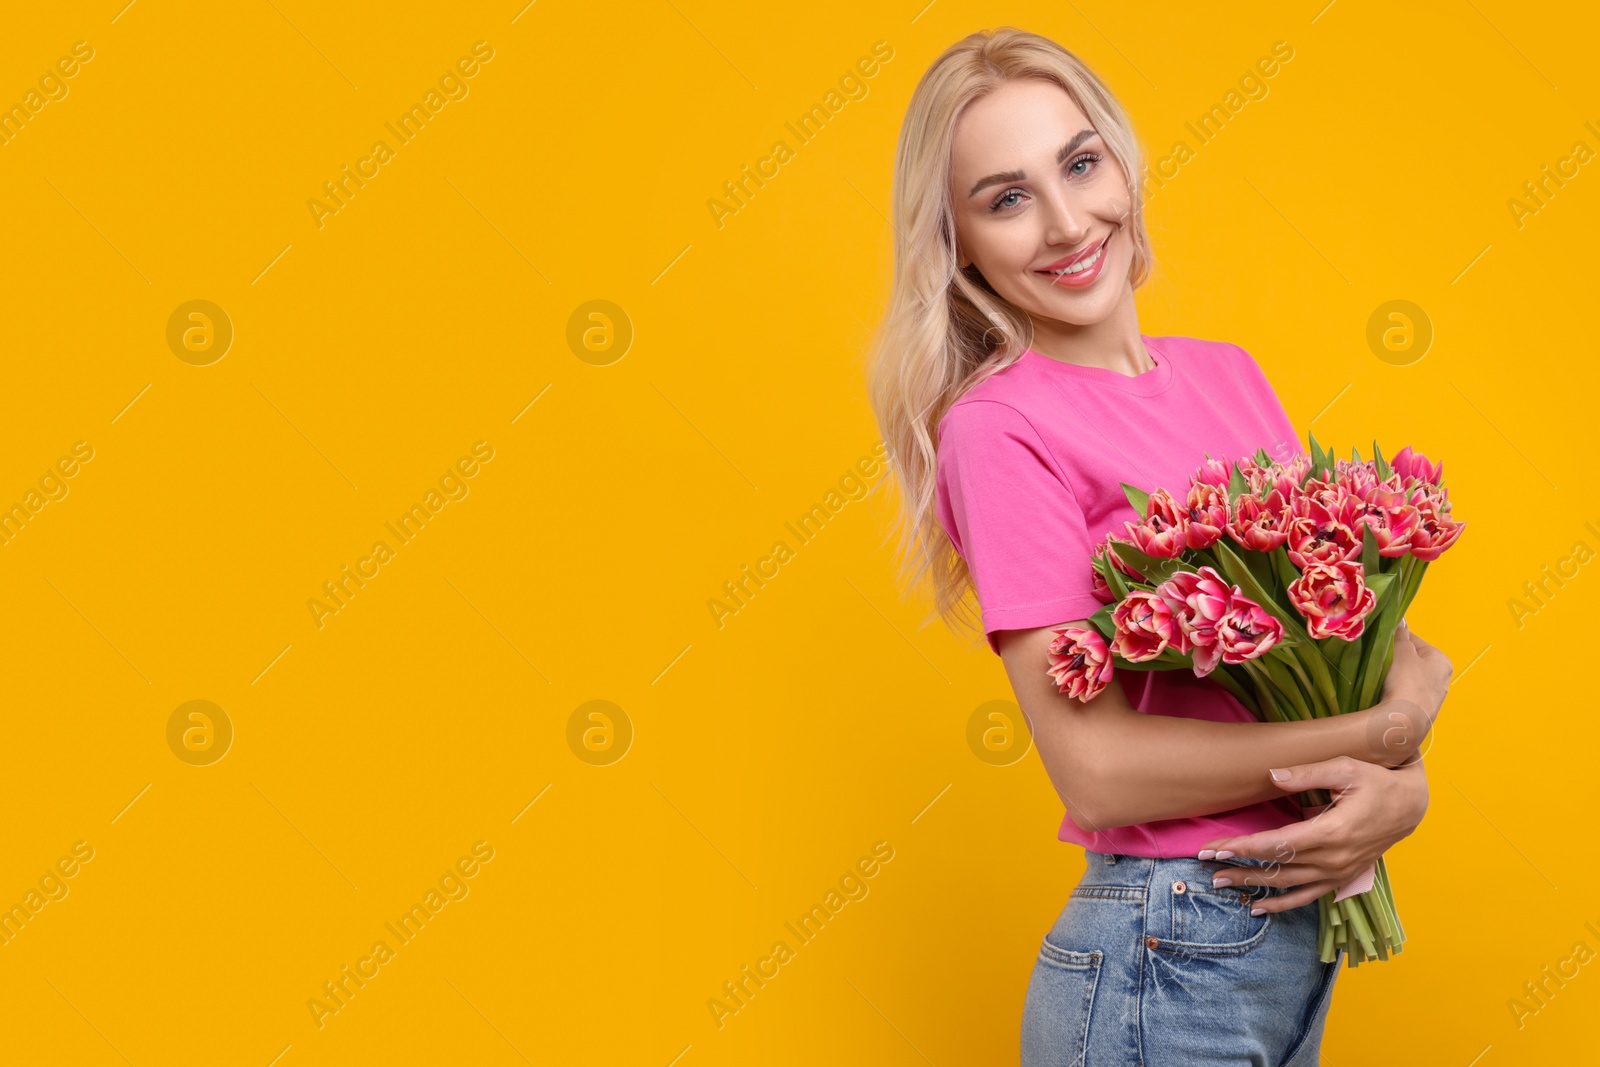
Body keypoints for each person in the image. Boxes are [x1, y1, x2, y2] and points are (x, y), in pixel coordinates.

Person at [864, 27, 1455, 1065]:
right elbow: (1093, 769)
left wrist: (1399, 775)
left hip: (1286, 942)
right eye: (1006, 199)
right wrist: (1379, 742)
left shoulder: (1229, 376)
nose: (1063, 222)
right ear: (956, 244)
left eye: (1079, 163)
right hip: (1163, 949)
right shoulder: (998, 428)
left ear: (1123, 164)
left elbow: (1379, 643)